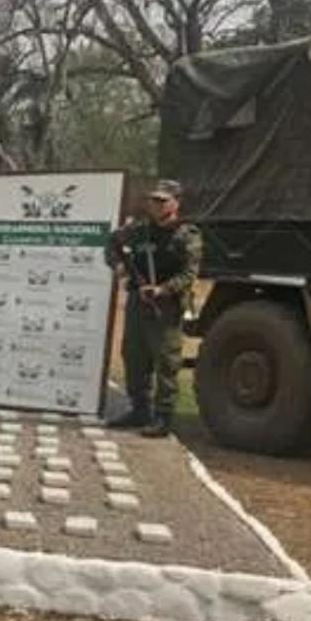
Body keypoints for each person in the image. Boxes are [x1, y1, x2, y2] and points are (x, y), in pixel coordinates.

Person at [105, 179, 203, 437]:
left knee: (166, 361)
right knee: (133, 356)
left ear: (175, 202)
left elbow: (189, 273)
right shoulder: (139, 231)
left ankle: (163, 417)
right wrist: (119, 267)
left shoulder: (186, 235)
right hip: (139, 303)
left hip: (166, 307)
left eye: (162, 201)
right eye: (153, 200)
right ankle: (140, 410)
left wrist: (162, 289)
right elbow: (111, 243)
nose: (156, 205)